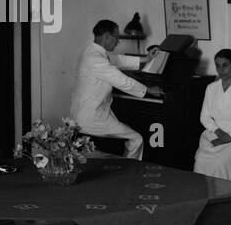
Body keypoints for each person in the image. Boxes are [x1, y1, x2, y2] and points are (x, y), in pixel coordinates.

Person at [69, 19, 163, 159]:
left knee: (129, 136)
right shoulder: (95, 58)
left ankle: (122, 165)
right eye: (117, 38)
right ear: (107, 36)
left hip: (90, 113)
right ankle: (129, 170)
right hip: (91, 118)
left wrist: (146, 58)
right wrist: (149, 90)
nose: (118, 42)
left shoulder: (93, 52)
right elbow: (122, 81)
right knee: (136, 138)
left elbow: (118, 60)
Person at [193, 48, 231, 184]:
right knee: (201, 158)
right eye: (218, 66)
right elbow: (204, 116)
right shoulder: (211, 88)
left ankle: (226, 195)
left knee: (222, 161)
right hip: (214, 131)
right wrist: (218, 132)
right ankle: (205, 193)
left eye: (225, 65)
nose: (221, 70)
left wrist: (229, 137)